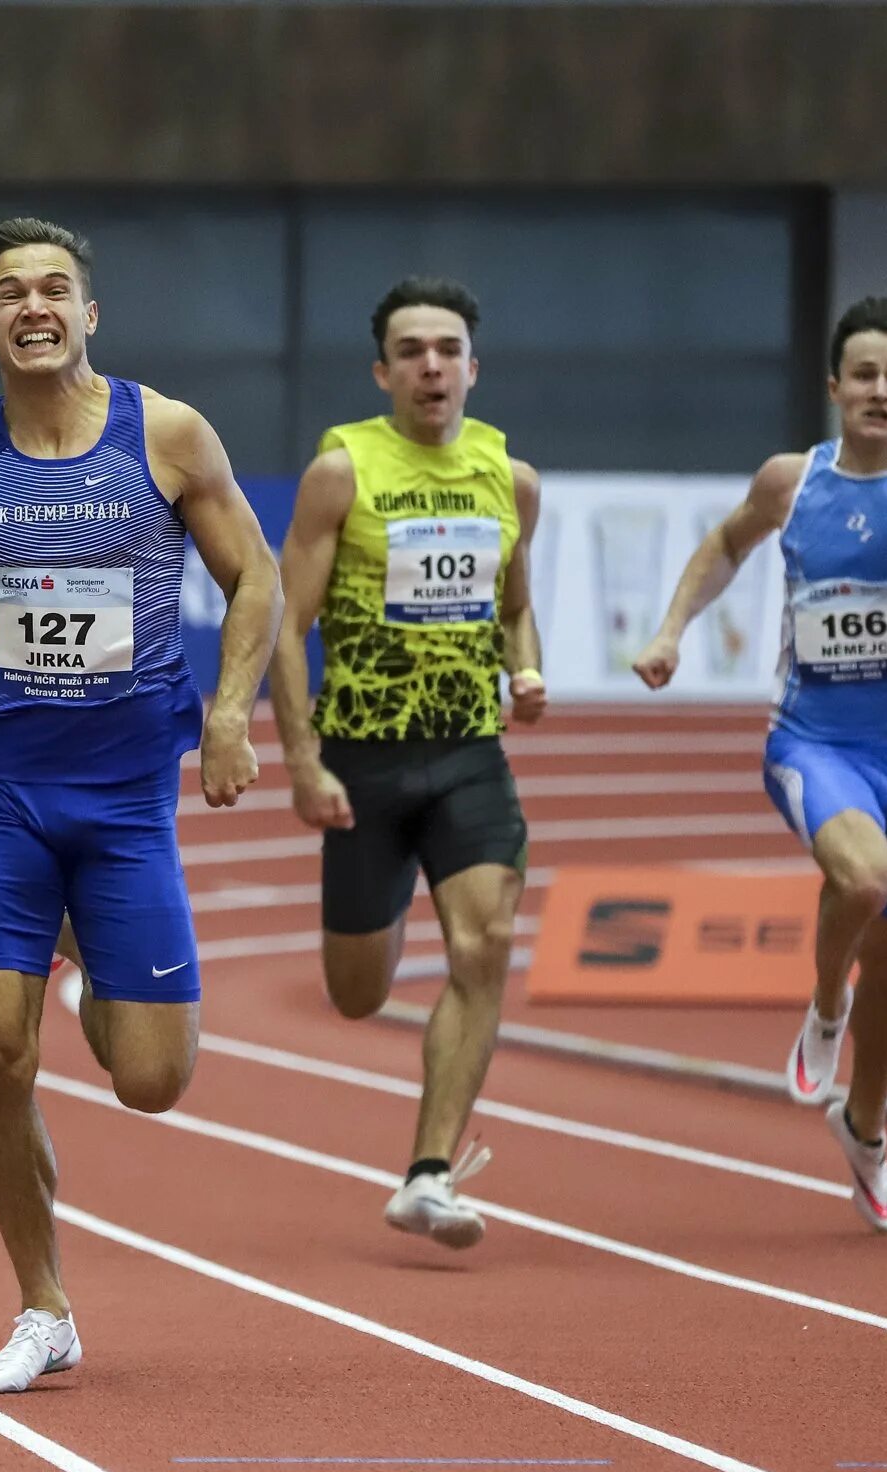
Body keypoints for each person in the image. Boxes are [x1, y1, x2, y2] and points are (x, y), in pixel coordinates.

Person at [0, 217, 280, 1394]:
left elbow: (254, 575)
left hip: (123, 805)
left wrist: (226, 712)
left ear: (88, 312)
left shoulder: (164, 434)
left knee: (153, 1080)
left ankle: (82, 943)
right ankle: (42, 1303)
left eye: (53, 288)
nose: (33, 308)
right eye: (9, 293)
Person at [635, 296, 887, 1234]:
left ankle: (865, 1127)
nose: (880, 390)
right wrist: (668, 632)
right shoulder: (793, 478)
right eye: (864, 373)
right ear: (834, 386)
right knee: (864, 879)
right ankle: (824, 1009)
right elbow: (726, 543)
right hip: (812, 741)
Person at [268, 276, 546, 1252]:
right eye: (411, 349)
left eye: (447, 348)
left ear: (473, 366)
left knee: (484, 943)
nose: (431, 364)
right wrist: (303, 763)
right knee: (358, 993)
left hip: (470, 753)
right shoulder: (342, 472)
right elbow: (283, 624)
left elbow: (512, 598)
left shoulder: (508, 478)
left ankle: (428, 1173)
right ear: (382, 370)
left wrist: (526, 667)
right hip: (363, 765)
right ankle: (371, 925)